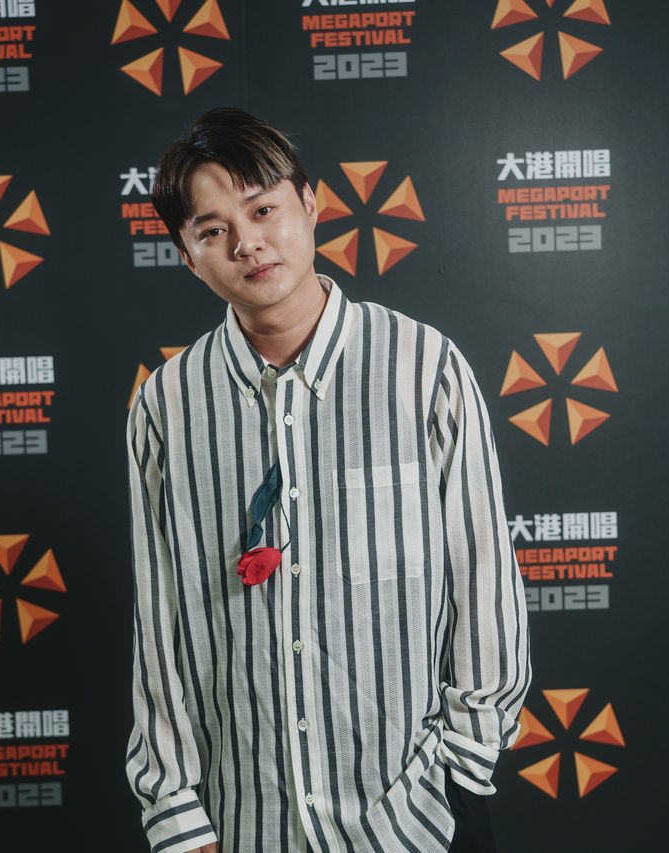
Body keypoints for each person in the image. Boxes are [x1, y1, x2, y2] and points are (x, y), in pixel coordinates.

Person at [125, 107, 531, 853]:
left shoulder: (422, 368)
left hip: (417, 815)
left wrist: (463, 767)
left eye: (262, 210)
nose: (247, 243)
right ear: (187, 256)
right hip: (248, 820)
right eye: (213, 230)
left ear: (310, 205)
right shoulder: (167, 406)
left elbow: (483, 578)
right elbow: (161, 619)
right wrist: (176, 808)